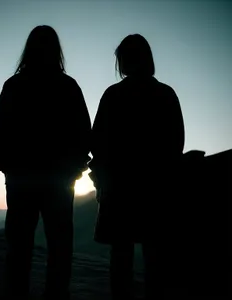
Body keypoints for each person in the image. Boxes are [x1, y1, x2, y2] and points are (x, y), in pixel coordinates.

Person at [0, 25, 91, 299]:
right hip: (59, 180)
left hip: (21, 178)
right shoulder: (68, 86)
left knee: (19, 246)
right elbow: (84, 134)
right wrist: (74, 166)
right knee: (60, 246)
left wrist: (8, 162)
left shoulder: (14, 86)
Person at [88, 33, 185, 300]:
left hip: (119, 189)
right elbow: (176, 143)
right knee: (156, 257)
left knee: (121, 256)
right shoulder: (165, 94)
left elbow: (96, 141)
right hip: (157, 188)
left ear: (123, 62)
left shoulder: (113, 95)